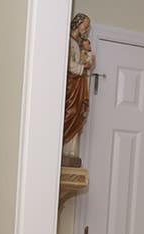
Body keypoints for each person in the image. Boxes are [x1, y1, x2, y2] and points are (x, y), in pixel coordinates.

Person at [62, 13, 94, 163]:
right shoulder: (67, 42)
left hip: (78, 84)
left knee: (76, 115)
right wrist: (83, 67)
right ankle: (63, 148)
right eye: (85, 25)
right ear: (78, 23)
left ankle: (71, 151)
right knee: (70, 112)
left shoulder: (79, 44)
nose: (86, 29)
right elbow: (67, 64)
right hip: (71, 85)